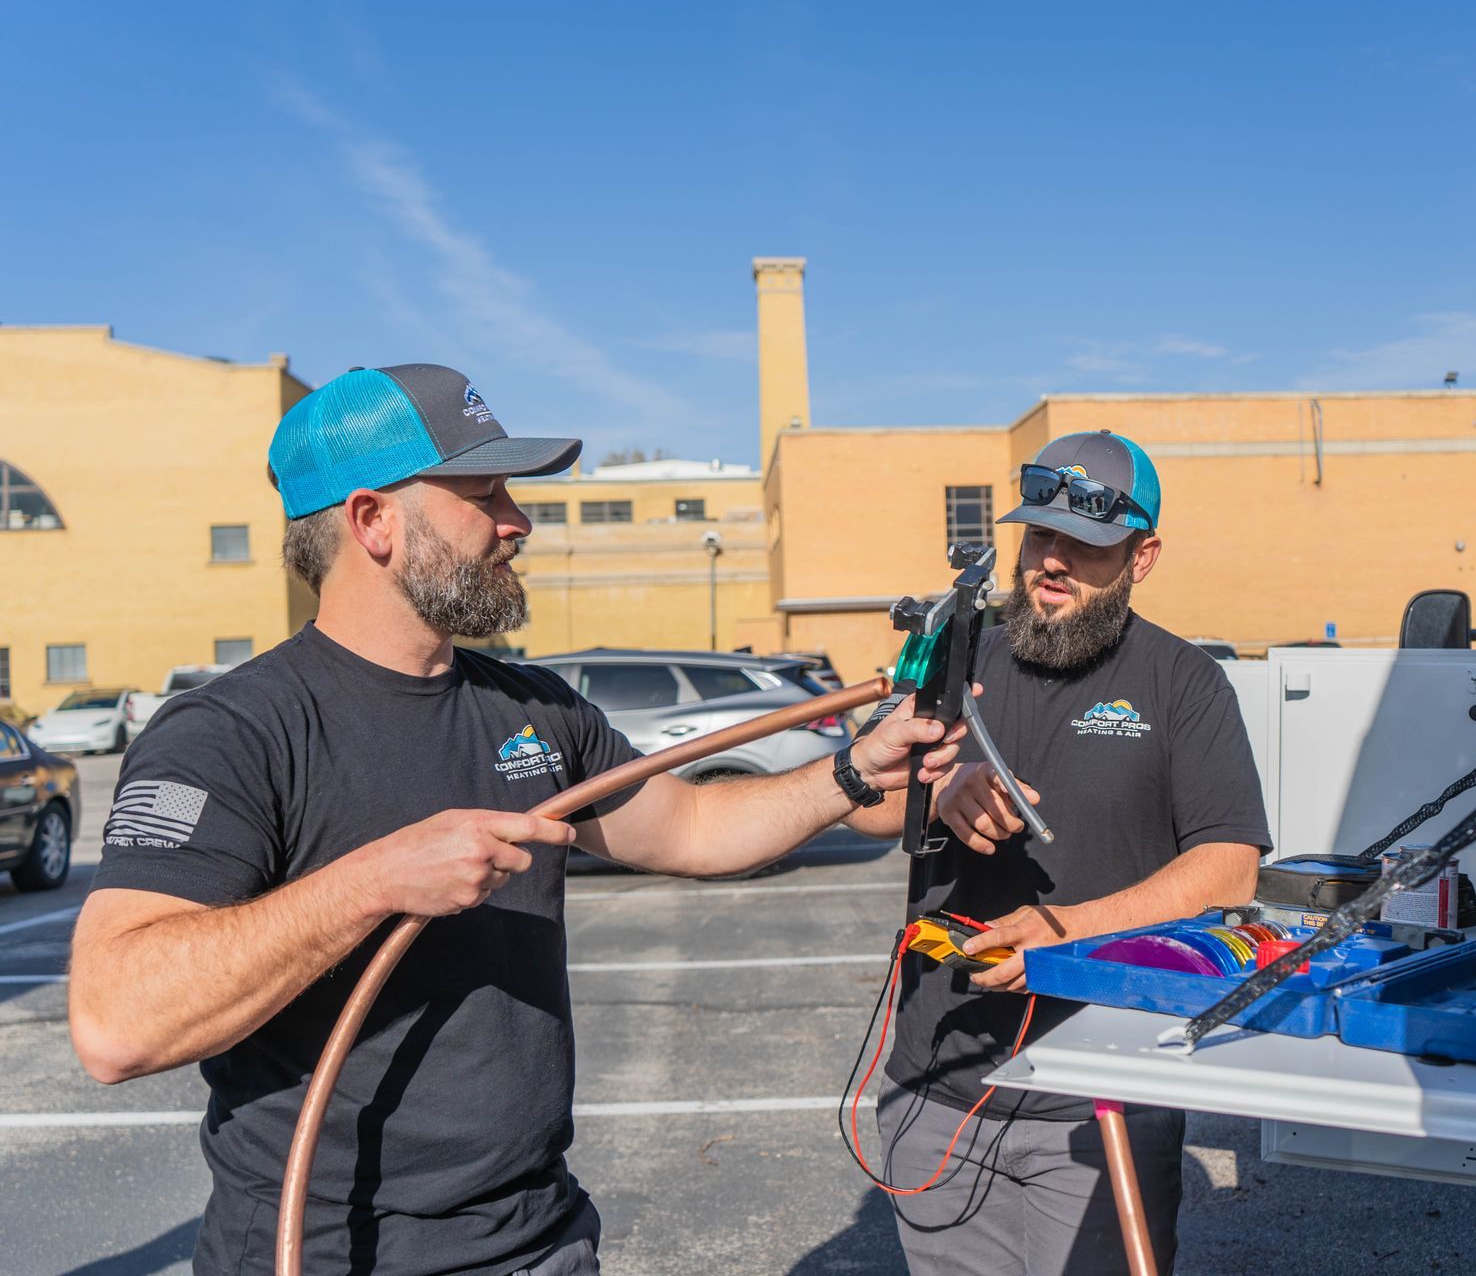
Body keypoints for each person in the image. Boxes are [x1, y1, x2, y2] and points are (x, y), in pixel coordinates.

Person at [66, 364, 964, 1276]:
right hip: (330, 1250)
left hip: (538, 1239)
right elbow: (116, 1023)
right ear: (371, 521)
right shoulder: (232, 733)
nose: (518, 521)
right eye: (482, 492)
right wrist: (371, 882)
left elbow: (691, 827)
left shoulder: (534, 709)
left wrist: (852, 774)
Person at [844, 430, 1272, 1275]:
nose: (1054, 561)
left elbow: (1230, 868)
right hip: (936, 1089)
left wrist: (1063, 927)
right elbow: (861, 805)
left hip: (1100, 1103)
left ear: (1142, 557)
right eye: (1041, 536)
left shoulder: (1183, 682)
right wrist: (937, 786)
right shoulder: (956, 660)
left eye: (1085, 546)